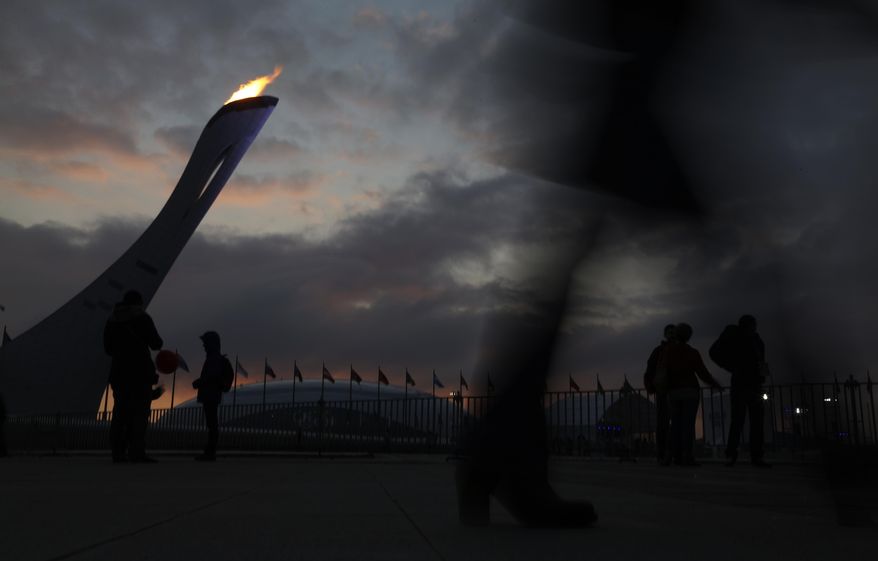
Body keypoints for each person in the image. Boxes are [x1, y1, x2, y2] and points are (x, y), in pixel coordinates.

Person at [103, 290, 163, 463]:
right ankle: (136, 452)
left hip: (119, 374)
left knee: (119, 413)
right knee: (140, 414)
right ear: (139, 302)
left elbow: (107, 348)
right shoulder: (142, 318)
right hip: (140, 374)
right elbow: (156, 343)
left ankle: (117, 453)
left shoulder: (112, 320)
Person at [664, 323, 722, 466]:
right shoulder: (692, 353)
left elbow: (664, 372)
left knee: (675, 425)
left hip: (674, 392)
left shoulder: (668, 352)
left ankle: (675, 456)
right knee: (688, 426)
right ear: (689, 336)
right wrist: (715, 384)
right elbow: (702, 373)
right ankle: (687, 456)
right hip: (690, 392)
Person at [721, 314, 770, 467]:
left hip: (744, 385)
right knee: (753, 423)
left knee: (740, 422)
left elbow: (715, 352)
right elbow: (761, 361)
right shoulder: (755, 340)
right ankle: (755, 456)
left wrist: (732, 368)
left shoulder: (747, 339)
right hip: (750, 386)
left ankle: (733, 454)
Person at [192, 331, 232, 461]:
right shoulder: (212, 358)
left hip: (211, 395)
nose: (204, 346)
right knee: (212, 424)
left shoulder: (214, 359)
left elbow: (212, 377)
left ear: (212, 344)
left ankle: (210, 452)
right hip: (210, 395)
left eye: (205, 343)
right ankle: (210, 451)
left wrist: (199, 382)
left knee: (212, 424)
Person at [643, 324, 676, 464]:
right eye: (670, 332)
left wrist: (650, 386)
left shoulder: (659, 350)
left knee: (663, 423)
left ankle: (662, 453)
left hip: (663, 390)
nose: (672, 334)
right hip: (672, 390)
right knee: (673, 423)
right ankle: (670, 452)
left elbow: (649, 369)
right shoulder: (678, 349)